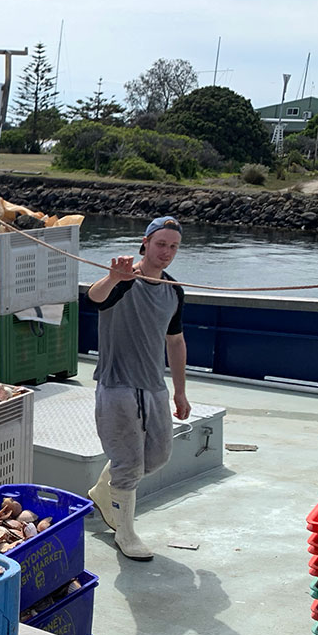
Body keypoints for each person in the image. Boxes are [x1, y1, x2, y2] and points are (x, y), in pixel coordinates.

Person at [85, 216, 191, 561]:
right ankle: (125, 534)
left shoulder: (174, 291)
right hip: (117, 382)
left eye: (173, 246)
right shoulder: (125, 279)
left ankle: (106, 490)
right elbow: (95, 297)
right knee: (129, 462)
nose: (167, 252)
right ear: (145, 243)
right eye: (161, 244)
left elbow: (175, 341)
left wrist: (180, 390)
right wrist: (114, 277)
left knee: (158, 457)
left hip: (153, 385)